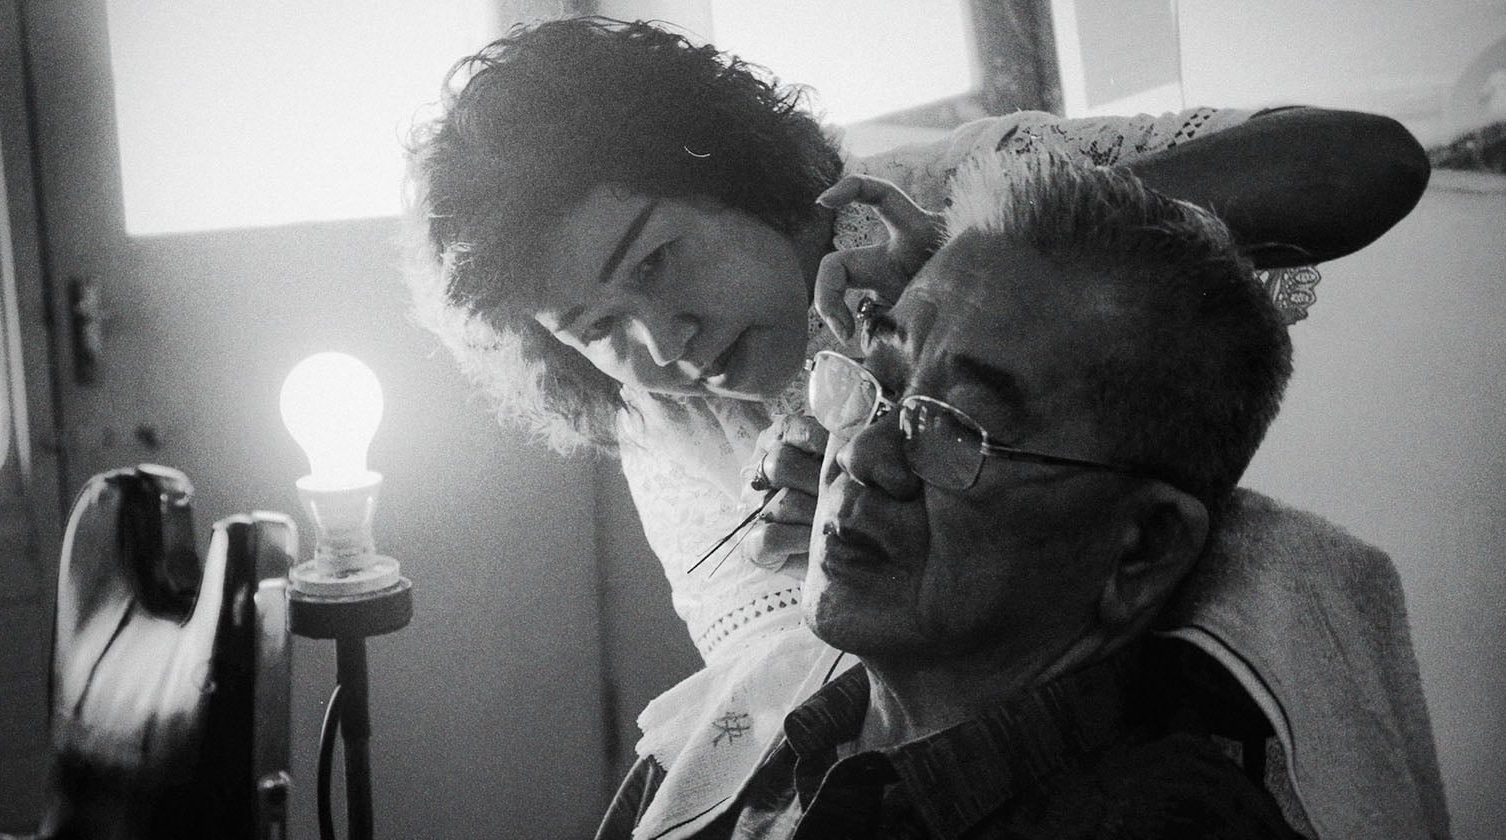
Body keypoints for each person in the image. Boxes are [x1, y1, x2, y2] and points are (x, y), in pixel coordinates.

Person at [401, 16, 1432, 836]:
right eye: (593, 327)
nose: (659, 342)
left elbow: (1369, 163)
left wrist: (973, 262)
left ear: (722, 164)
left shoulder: (952, 195)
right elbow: (810, 687)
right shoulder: (663, 425)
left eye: (656, 262)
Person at [603, 152, 1307, 838]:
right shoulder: (702, 759)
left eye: (956, 427)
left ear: (1144, 549)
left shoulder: (1161, 820)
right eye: (873, 381)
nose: (860, 454)